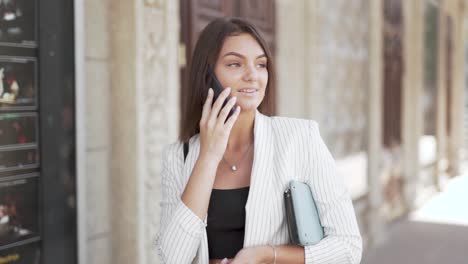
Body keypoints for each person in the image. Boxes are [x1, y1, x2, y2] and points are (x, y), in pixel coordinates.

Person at [156, 17, 362, 264]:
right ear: (208, 76)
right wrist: (208, 157)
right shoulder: (179, 157)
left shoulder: (300, 137)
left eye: (261, 64)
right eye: (235, 64)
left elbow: (348, 247)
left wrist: (267, 256)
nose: (253, 75)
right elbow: (172, 258)